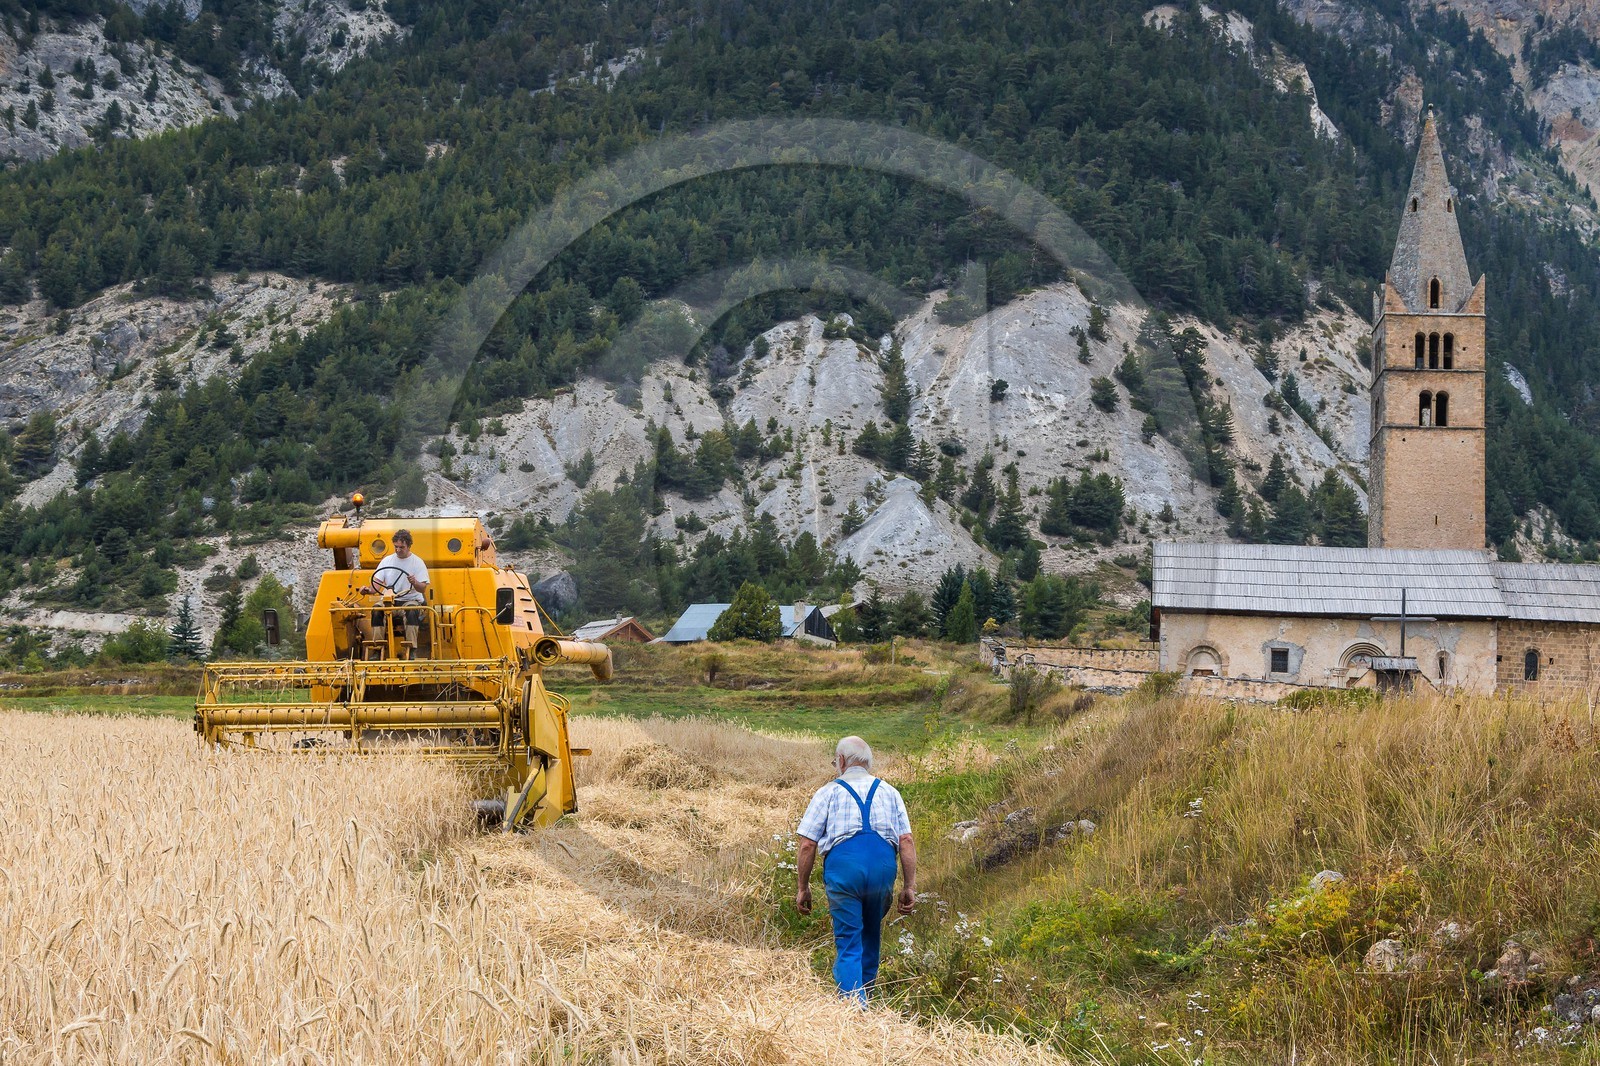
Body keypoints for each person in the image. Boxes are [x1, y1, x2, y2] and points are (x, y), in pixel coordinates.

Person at [794, 736, 916, 1005]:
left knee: (849, 939)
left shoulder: (828, 792)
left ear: (840, 761)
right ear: (868, 764)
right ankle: (867, 999)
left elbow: (807, 844)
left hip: (845, 869)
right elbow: (905, 841)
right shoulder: (890, 792)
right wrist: (909, 887)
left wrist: (803, 888)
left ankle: (853, 1010)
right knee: (870, 934)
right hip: (882, 869)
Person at [360, 528, 430, 631]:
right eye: (396, 547)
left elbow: (422, 589)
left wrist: (414, 582)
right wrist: (367, 591)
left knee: (411, 611)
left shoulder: (417, 562)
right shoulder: (386, 561)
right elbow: (375, 587)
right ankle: (378, 644)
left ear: (409, 546)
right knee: (376, 610)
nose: (398, 550)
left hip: (410, 600)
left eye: (401, 547)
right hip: (389, 601)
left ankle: (411, 645)